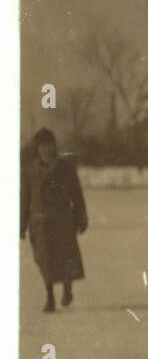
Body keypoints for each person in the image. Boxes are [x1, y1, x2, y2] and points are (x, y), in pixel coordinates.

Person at [19, 127, 87, 313]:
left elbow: (77, 194)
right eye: (42, 146)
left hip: (63, 220)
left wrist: (81, 216)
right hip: (40, 223)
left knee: (66, 257)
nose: (46, 150)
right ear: (37, 148)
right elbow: (25, 198)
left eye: (49, 145)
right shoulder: (29, 170)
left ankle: (67, 288)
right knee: (44, 260)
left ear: (54, 146)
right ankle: (50, 296)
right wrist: (21, 224)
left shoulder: (66, 167)